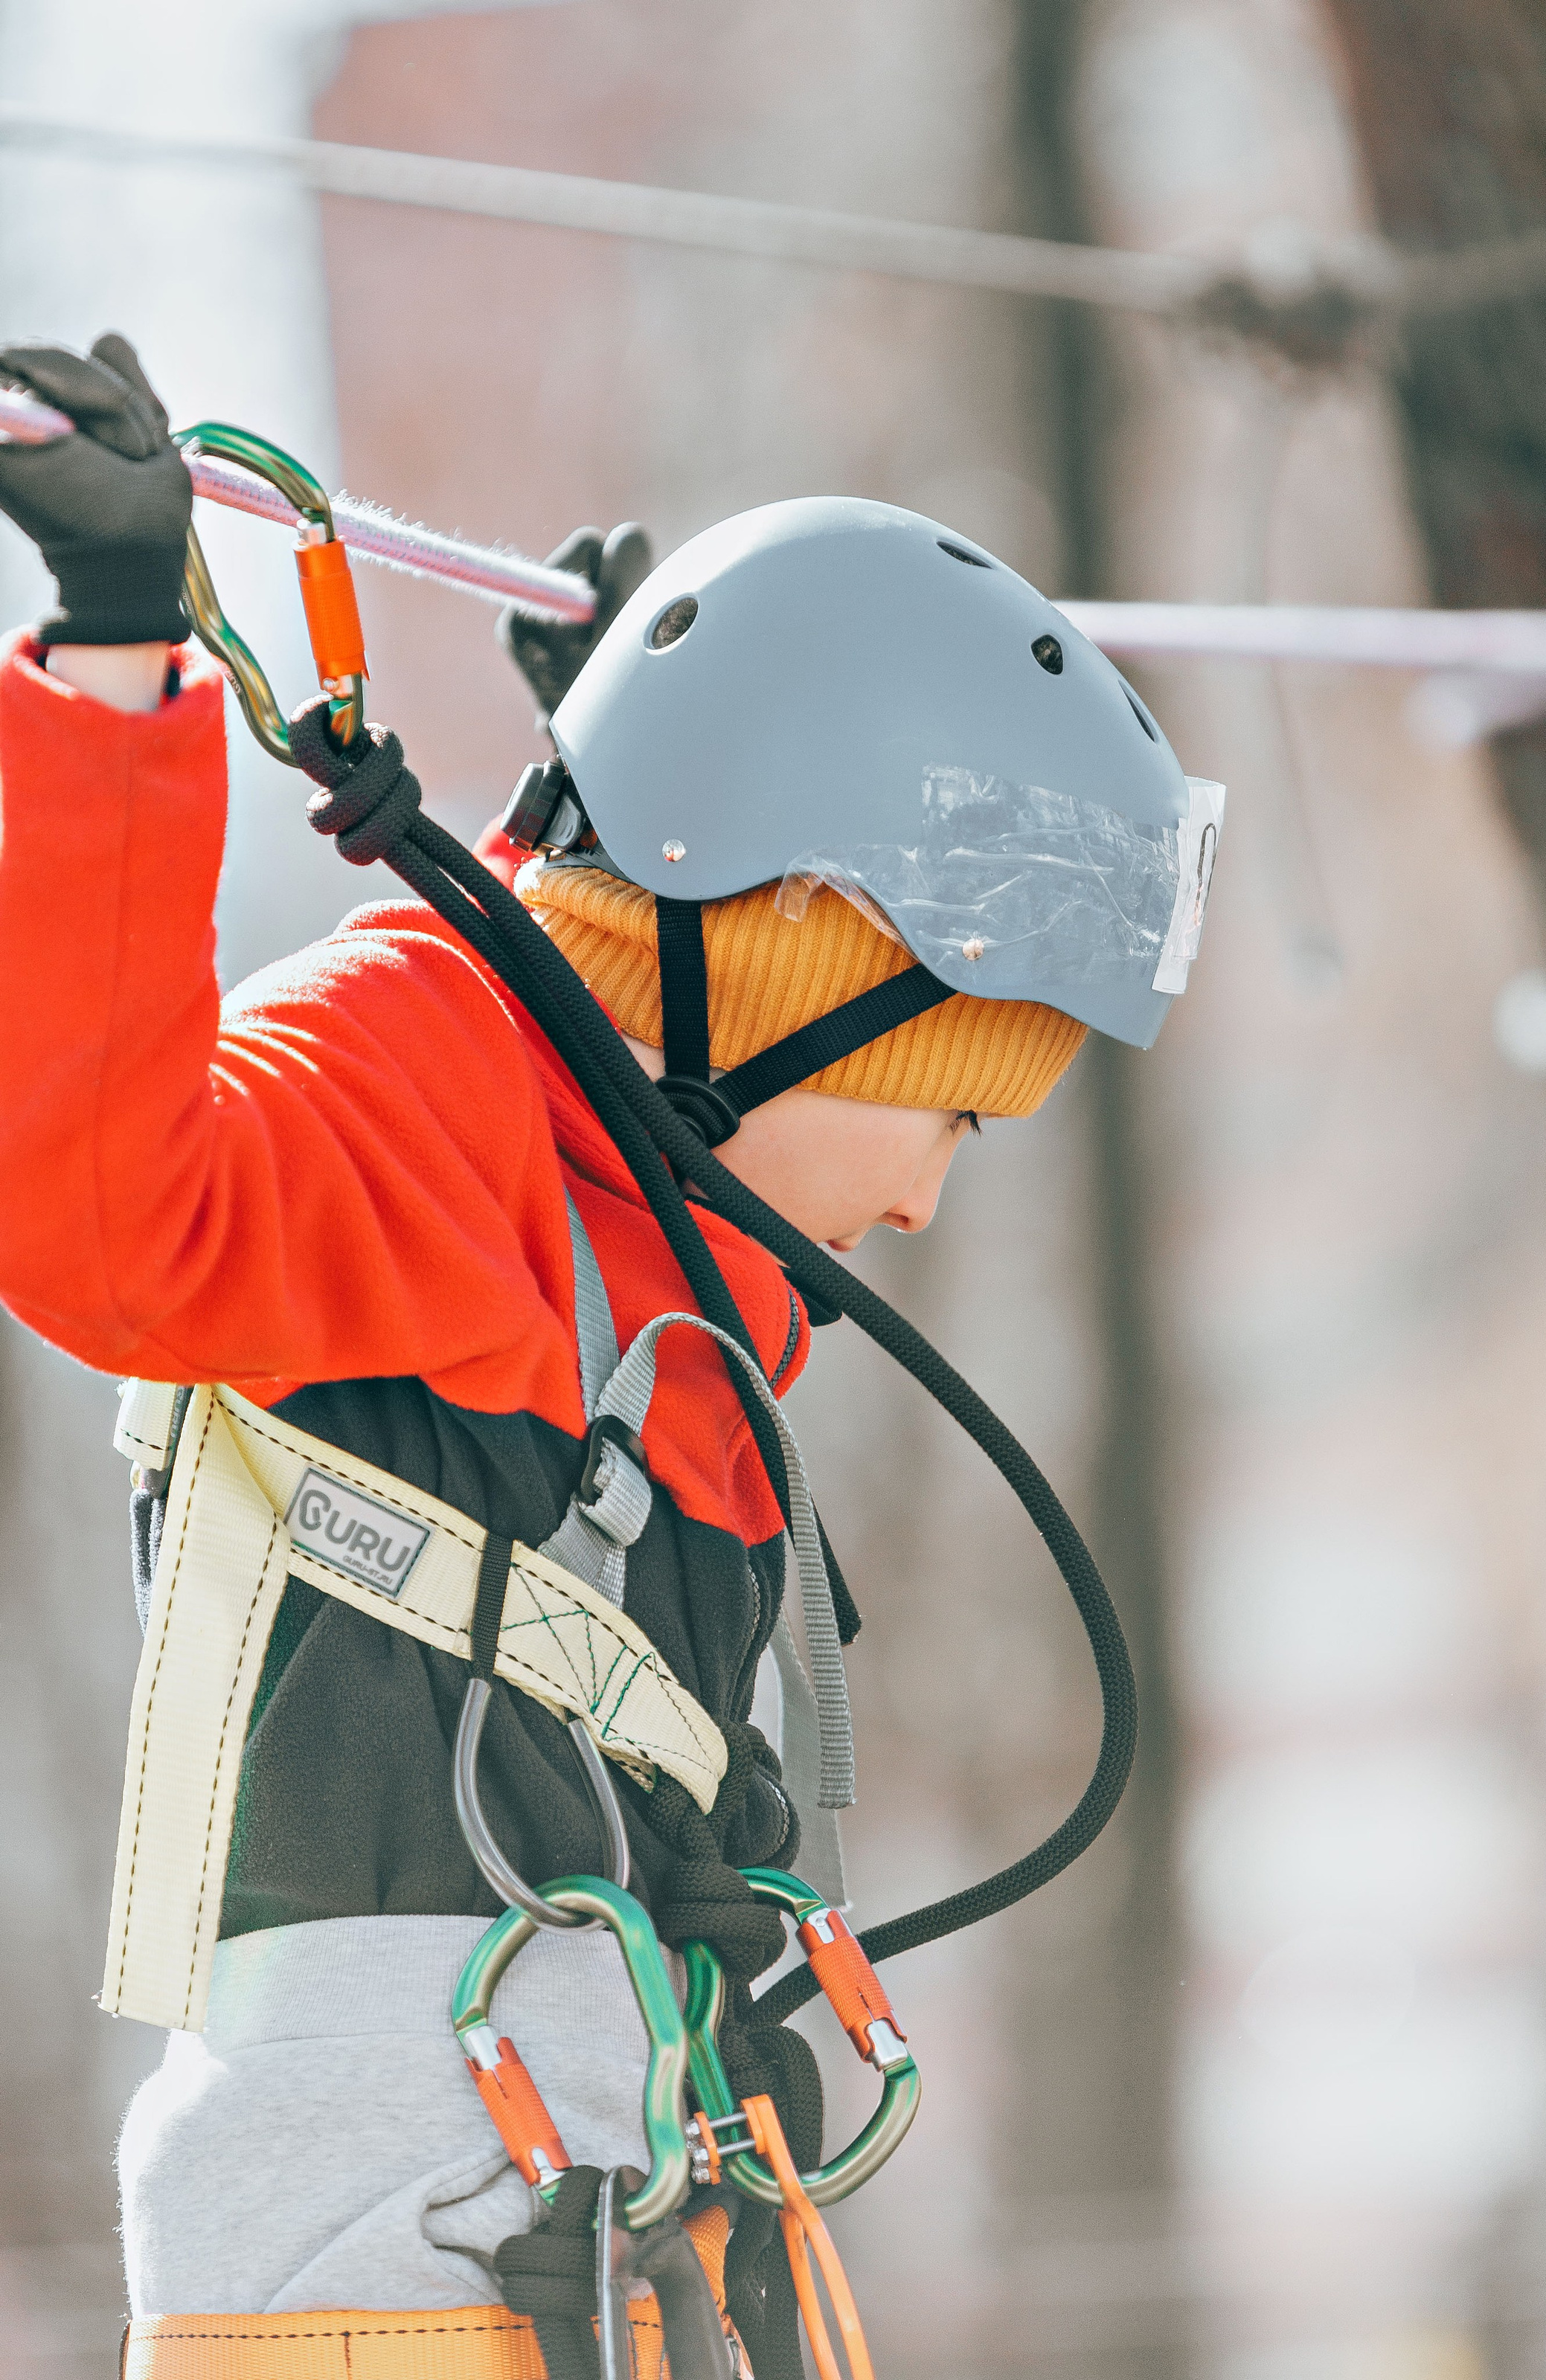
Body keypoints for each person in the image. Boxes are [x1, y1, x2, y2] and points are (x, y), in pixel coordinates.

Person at [0, 335, 1220, 2380]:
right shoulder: (408, 1081)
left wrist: (656, 771)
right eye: (945, 1104)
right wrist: (114, 660)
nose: (926, 1198)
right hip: (366, 2285)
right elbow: (95, 1205)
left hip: (607, 2247)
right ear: (800, 954)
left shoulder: (663, 1234)